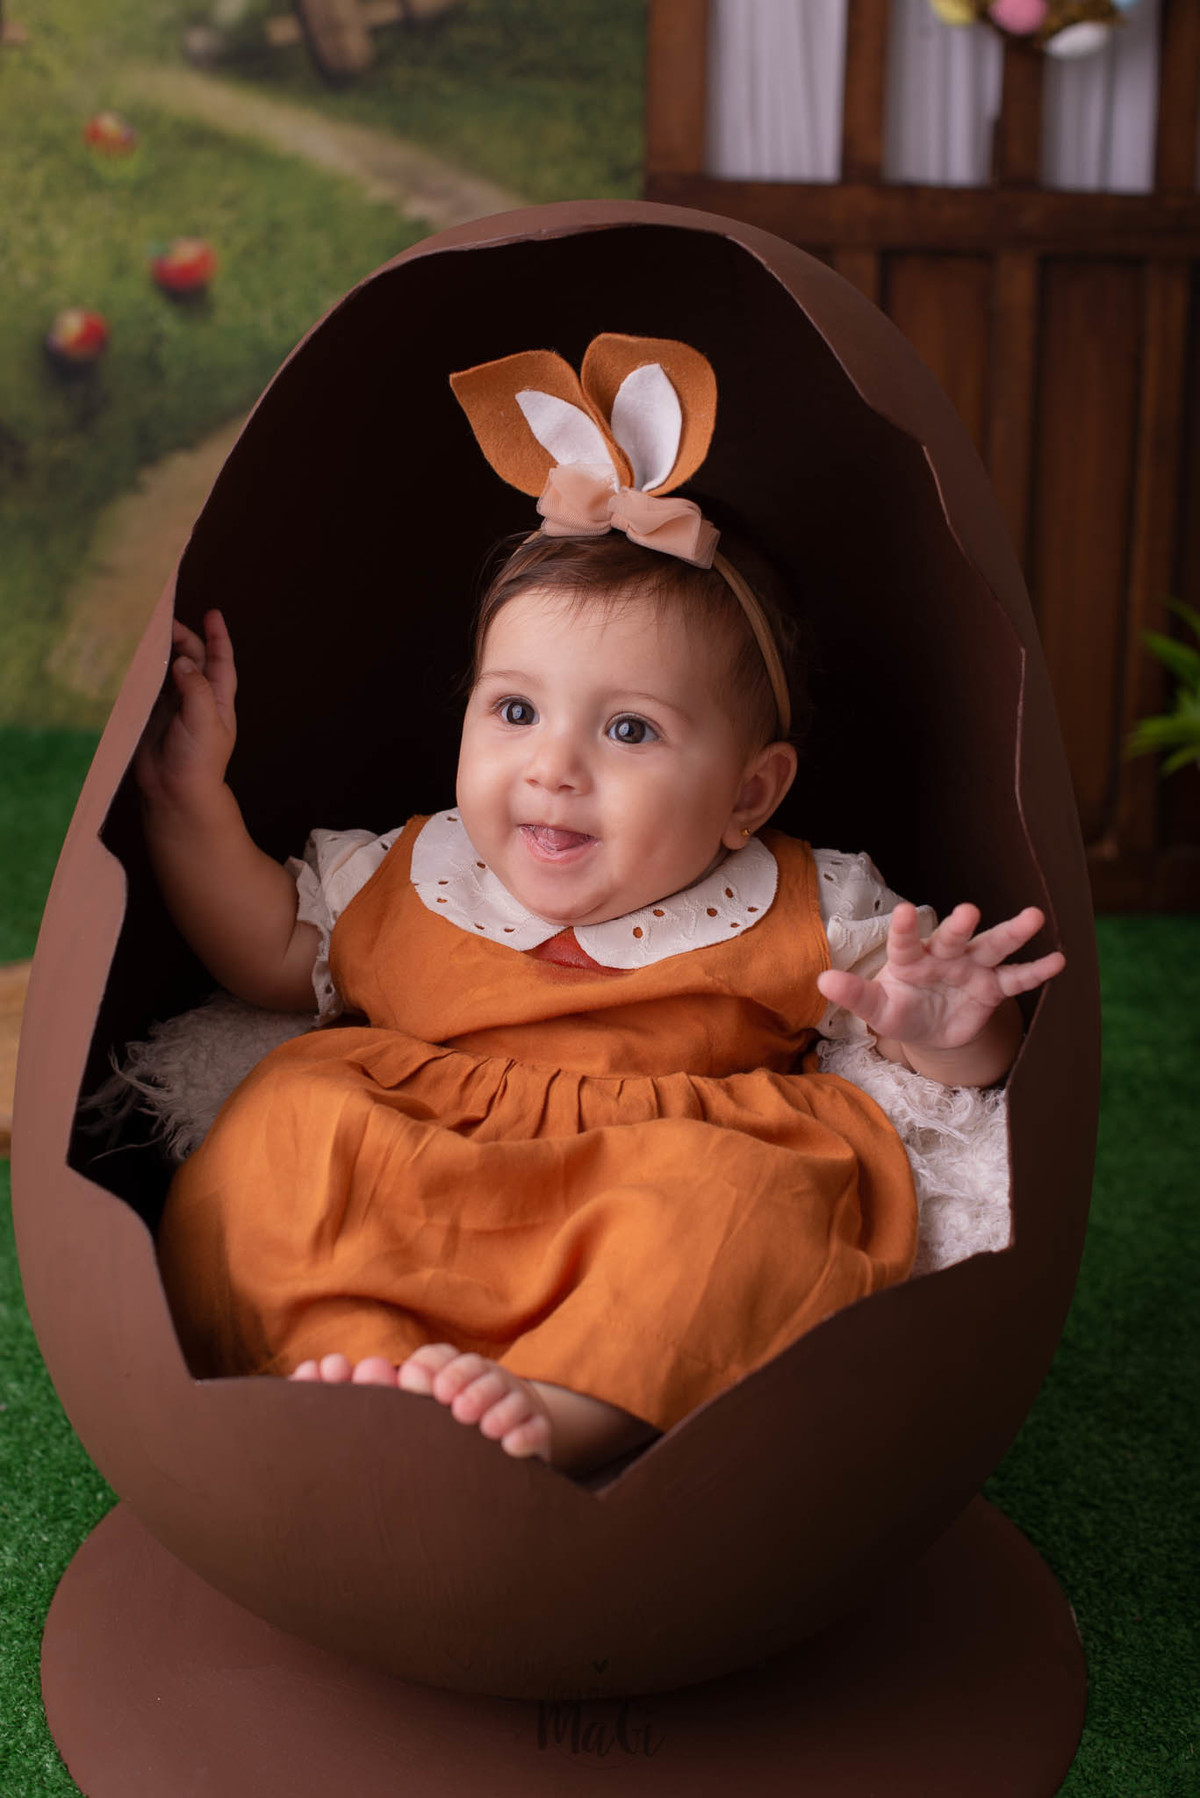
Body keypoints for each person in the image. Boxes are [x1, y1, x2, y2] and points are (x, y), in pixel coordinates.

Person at [136, 334, 1065, 1478]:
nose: (553, 766)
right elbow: (271, 955)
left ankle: (567, 1406)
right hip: (418, 1160)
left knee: (756, 1203)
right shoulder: (411, 868)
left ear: (749, 792)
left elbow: (950, 1073)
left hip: (655, 1174)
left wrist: (947, 1027)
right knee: (282, 1125)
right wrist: (188, 803)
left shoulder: (803, 898)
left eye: (629, 729)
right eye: (515, 710)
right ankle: (357, 1367)